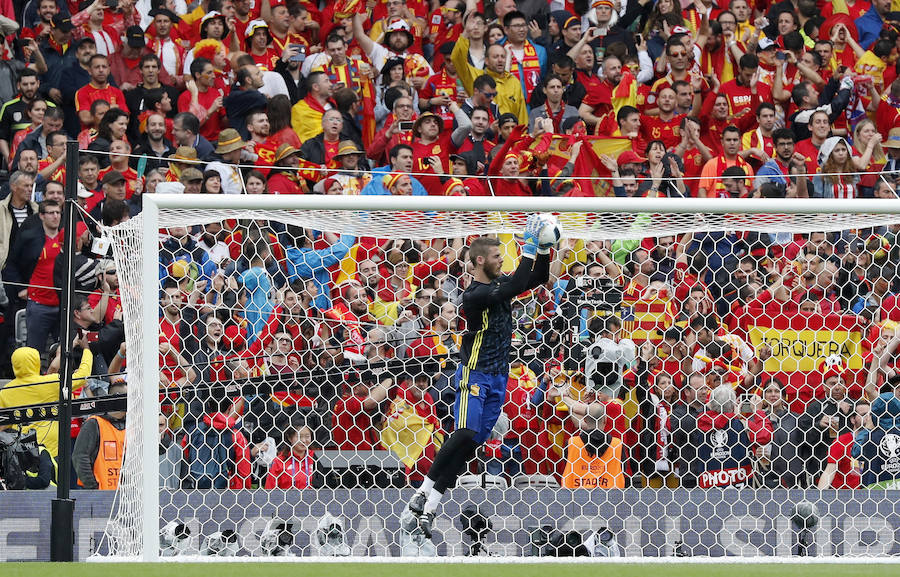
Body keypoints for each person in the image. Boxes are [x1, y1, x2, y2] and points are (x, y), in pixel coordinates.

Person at [407, 216, 554, 537]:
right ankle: (422, 491)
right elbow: (518, 283)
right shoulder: (474, 295)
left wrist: (545, 247)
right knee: (463, 433)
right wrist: (529, 244)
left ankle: (429, 506)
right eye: (498, 257)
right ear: (479, 261)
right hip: (473, 374)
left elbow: (538, 276)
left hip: (499, 378)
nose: (503, 261)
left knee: (472, 443)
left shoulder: (499, 286)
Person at [73, 379, 127, 489]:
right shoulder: (95, 423)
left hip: (130, 497)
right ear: (118, 399)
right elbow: (79, 457)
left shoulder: (133, 425)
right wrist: (93, 488)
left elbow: (160, 449)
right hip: (102, 496)